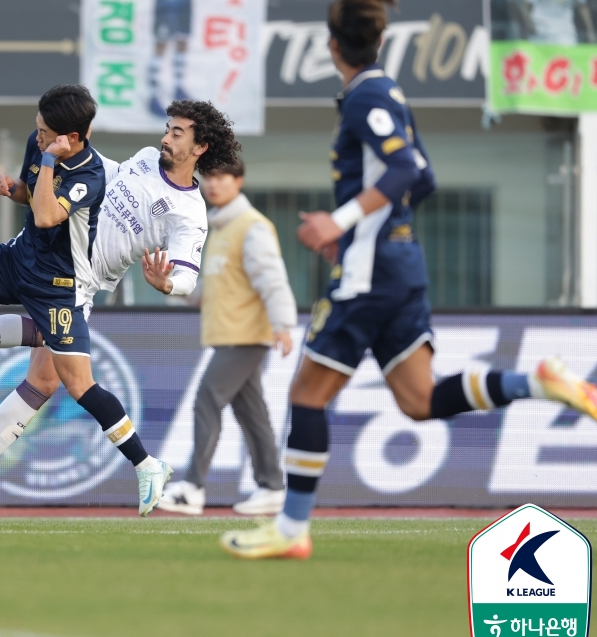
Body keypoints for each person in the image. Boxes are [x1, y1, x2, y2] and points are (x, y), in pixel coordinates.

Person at [219, 0, 597, 560]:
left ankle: (292, 529)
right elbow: (424, 179)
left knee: (306, 395)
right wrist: (366, 229)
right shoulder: (386, 92)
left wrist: (342, 223)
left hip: (371, 274)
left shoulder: (367, 95)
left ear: (331, 47)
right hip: (399, 265)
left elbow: (406, 171)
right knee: (419, 400)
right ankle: (539, 382)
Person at [0, 100, 240, 518]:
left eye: (177, 133)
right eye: (167, 129)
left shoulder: (190, 214)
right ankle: (141, 464)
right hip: (51, 262)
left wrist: (167, 283)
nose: (165, 138)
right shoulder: (143, 159)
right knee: (61, 380)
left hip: (78, 283)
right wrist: (59, 149)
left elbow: (188, 276)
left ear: (201, 147)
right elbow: (96, 173)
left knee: (51, 382)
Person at [159, 158, 297, 516]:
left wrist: (283, 324)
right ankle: (272, 486)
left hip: (245, 337)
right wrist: (171, 283)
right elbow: (212, 287)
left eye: (222, 177)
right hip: (229, 336)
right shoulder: (220, 228)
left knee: (206, 400)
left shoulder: (251, 226)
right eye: (210, 178)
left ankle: (193, 489)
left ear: (239, 181)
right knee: (253, 414)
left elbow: (272, 278)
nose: (213, 184)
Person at [149, 0, 194, 116]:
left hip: (184, 3)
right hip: (167, 4)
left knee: (182, 39)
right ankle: (153, 96)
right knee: (161, 42)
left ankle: (179, 88)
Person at [518, 0, 596, 45]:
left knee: (564, 68)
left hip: (565, 34)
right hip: (540, 33)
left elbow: (582, 7)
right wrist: (530, 25)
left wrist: (590, 31)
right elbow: (525, 7)